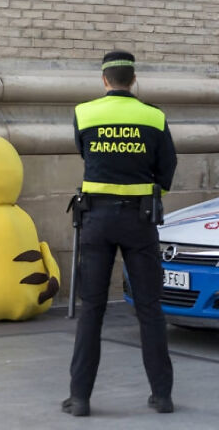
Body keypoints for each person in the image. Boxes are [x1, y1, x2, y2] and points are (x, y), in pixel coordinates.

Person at [62, 50, 178, 416]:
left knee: (91, 309)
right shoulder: (154, 117)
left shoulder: (85, 113)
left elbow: (85, 153)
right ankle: (162, 396)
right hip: (139, 222)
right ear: (133, 79)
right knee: (150, 309)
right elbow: (167, 169)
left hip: (96, 220)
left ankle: (80, 399)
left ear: (105, 80)